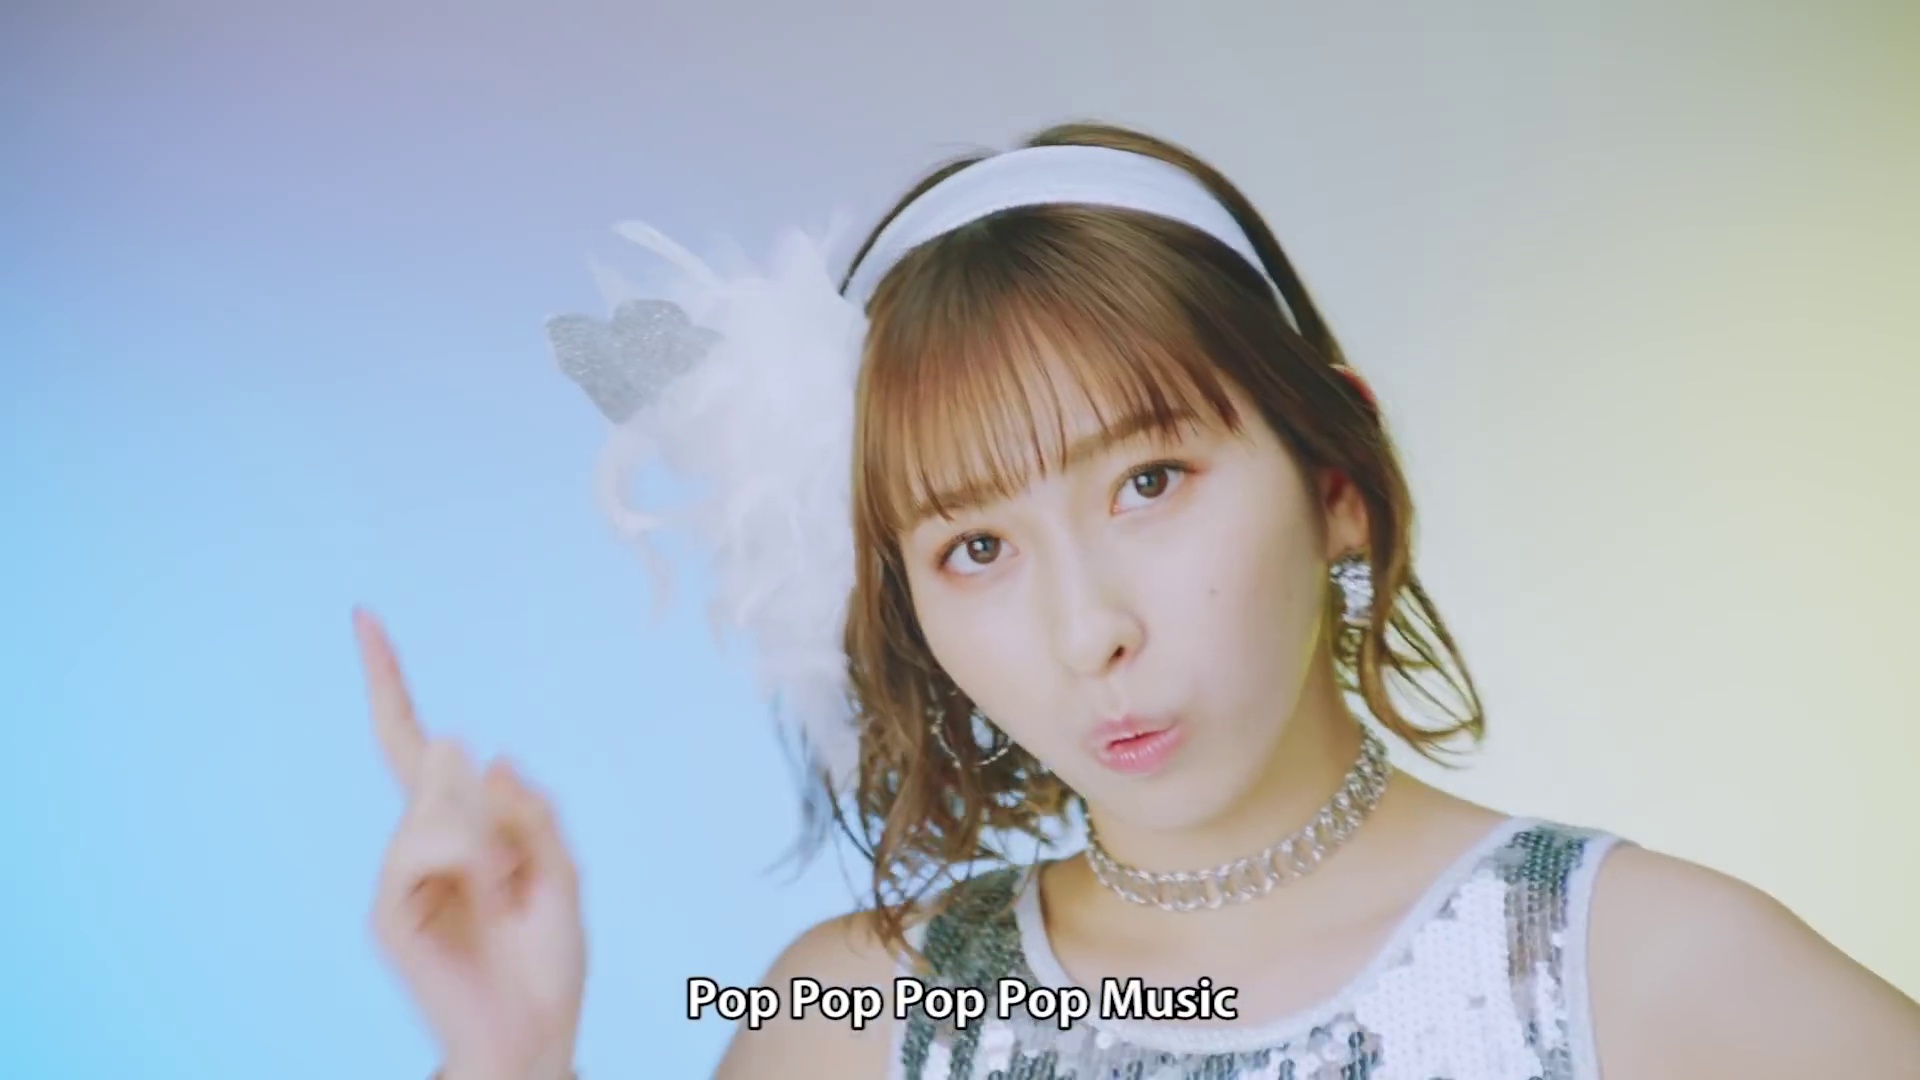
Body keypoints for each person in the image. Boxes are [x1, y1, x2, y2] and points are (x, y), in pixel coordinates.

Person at [357, 122, 1920, 1079]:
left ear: (1336, 475)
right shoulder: (858, 1020)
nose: (1086, 628)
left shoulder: (1632, 968)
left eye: (1149, 481)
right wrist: (510, 1058)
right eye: (976, 548)